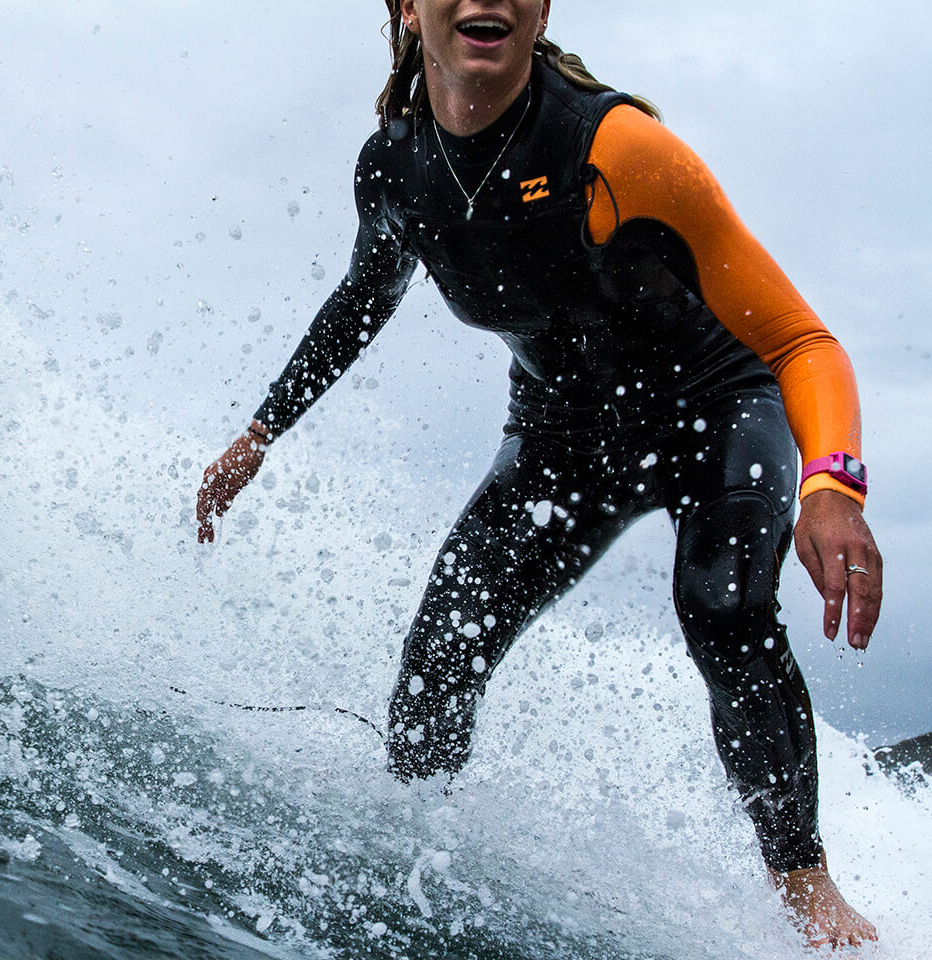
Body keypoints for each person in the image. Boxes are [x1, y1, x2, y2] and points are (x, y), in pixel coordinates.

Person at [196, 0, 884, 949]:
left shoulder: (617, 151)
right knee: (447, 637)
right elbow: (362, 297)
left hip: (715, 406)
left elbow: (803, 340)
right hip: (562, 435)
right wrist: (261, 430)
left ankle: (808, 891)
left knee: (722, 604)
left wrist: (833, 484)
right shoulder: (396, 167)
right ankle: (408, 848)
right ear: (408, 9)